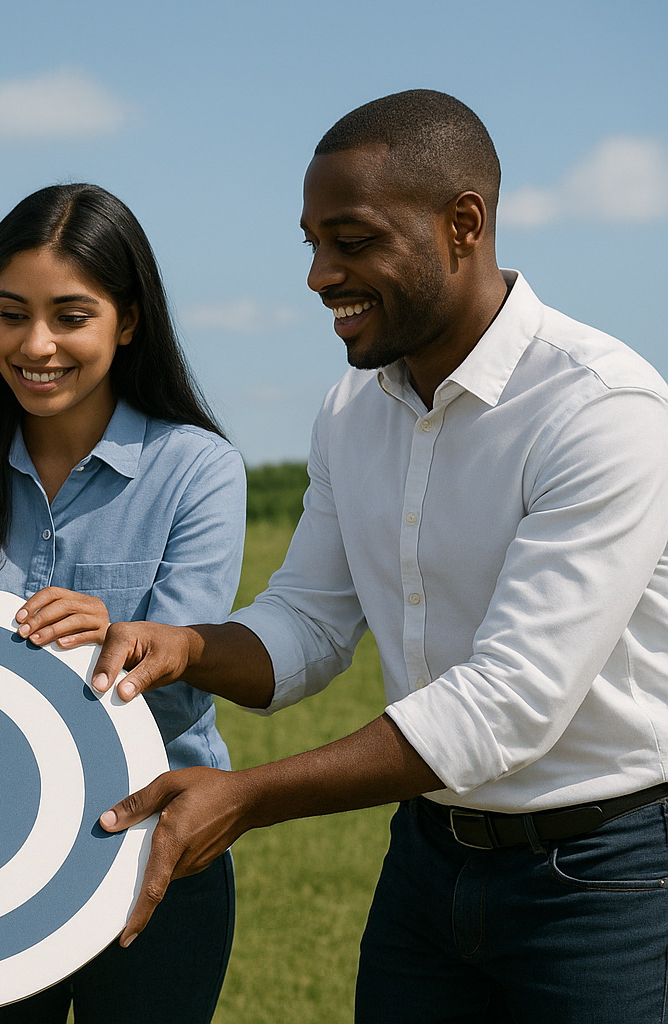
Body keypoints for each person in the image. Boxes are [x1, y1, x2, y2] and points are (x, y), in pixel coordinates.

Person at [93, 90, 668, 1022]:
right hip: (426, 864)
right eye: (312, 242)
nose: (320, 275)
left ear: (463, 224)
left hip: (602, 881)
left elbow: (509, 703)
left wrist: (250, 796)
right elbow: (312, 619)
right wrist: (187, 647)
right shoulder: (349, 410)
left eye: (352, 241)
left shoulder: (602, 409)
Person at [0, 183, 245, 1024]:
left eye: (71, 316)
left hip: (155, 843)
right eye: (11, 314)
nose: (36, 344)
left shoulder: (199, 468)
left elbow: (184, 685)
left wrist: (122, 640)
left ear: (130, 319)